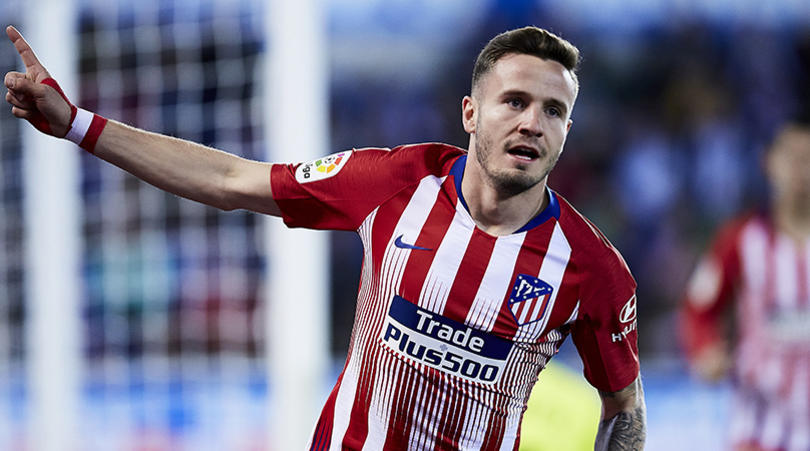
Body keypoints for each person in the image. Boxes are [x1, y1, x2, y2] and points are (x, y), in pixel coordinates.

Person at [4, 24, 646, 450]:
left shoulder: (592, 270)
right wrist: (78, 125)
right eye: (514, 102)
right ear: (471, 113)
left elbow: (625, 407)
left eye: (554, 111)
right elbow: (232, 178)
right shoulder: (399, 180)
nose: (533, 122)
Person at [681, 120, 810, 451]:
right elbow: (699, 309)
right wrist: (705, 351)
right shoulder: (740, 239)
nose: (802, 170)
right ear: (770, 163)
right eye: (793, 157)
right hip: (759, 429)